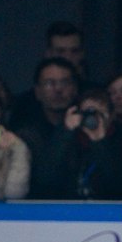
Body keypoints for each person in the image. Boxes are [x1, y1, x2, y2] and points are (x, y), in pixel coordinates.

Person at [37, 88, 122, 199]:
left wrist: (100, 142)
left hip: (108, 210)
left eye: (99, 114)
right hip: (67, 208)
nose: (93, 118)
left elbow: (121, 187)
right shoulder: (66, 138)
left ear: (111, 116)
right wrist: (65, 132)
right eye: (87, 113)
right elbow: (44, 178)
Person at [15, 58, 79, 198]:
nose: (58, 89)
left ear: (75, 88)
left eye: (65, 82)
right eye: (50, 83)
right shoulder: (26, 135)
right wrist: (65, 132)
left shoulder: (88, 129)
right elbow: (42, 180)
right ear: (37, 91)